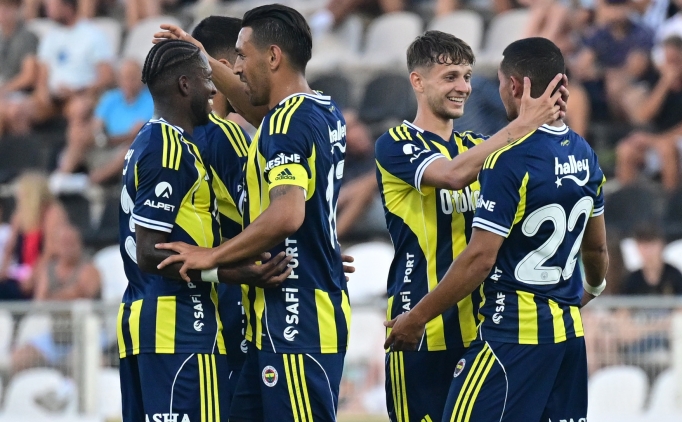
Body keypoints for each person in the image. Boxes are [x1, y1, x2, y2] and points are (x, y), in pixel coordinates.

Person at [385, 38, 609, 422]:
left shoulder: (489, 151)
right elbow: (452, 175)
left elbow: (481, 256)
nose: (464, 87)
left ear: (515, 86)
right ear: (418, 81)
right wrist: (528, 124)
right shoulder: (397, 143)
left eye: (468, 76)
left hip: (491, 328)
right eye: (451, 76)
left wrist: (532, 129)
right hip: (428, 332)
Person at [155, 5, 350, 421]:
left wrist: (212, 256)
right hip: (283, 317)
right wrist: (201, 56)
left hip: (295, 319)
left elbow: (287, 214)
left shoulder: (284, 124)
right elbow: (257, 109)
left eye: (243, 56)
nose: (237, 67)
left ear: (273, 57)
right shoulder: (320, 110)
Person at [116, 39, 291, 422]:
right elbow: (150, 252)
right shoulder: (168, 147)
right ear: (185, 85)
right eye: (206, 79)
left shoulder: (151, 140)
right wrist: (231, 272)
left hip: (148, 323)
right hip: (182, 325)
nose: (213, 90)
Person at [190, 14, 254, 403]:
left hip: (188, 308)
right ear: (225, 68)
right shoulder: (225, 133)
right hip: (229, 299)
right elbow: (262, 217)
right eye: (245, 61)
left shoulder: (161, 135)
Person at [0, 0, 115, 135]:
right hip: (52, 96)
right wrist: (42, 91)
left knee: (78, 109)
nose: (48, 10)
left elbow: (107, 76)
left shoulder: (93, 35)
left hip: (80, 94)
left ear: (67, 7)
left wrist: (79, 90)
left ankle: (74, 147)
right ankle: (26, 147)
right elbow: (43, 70)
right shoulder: (51, 36)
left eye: (52, 6)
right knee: (15, 111)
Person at [57, 59, 153, 181]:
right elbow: (97, 125)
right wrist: (97, 137)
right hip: (102, 143)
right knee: (79, 133)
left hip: (123, 150)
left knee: (131, 149)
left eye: (132, 77)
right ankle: (61, 177)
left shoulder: (150, 102)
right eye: (124, 77)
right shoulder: (111, 98)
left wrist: (105, 139)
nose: (128, 82)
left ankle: (88, 182)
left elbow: (135, 135)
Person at [615, 35, 682, 191]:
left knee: (666, 149)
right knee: (626, 150)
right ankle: (628, 201)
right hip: (659, 140)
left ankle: (671, 203)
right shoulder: (657, 82)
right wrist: (665, 84)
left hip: (673, 142)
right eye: (667, 61)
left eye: (675, 61)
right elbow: (643, 116)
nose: (671, 67)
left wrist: (655, 141)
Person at [0, 172, 68, 300]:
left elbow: (50, 251)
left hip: (45, 270)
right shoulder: (20, 214)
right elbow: (10, 247)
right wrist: (3, 270)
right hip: (21, 271)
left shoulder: (52, 213)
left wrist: (33, 276)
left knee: (42, 280)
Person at [0, 0, 39, 135]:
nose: (2, 13)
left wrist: (5, 89)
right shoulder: (1, 37)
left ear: (17, 10)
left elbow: (29, 76)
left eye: (7, 8)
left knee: (9, 111)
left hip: (18, 93)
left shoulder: (27, 37)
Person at [622, 225, 682, 294]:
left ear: (661, 245)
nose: (648, 251)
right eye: (644, 246)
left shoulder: (675, 276)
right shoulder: (632, 281)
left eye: (652, 245)